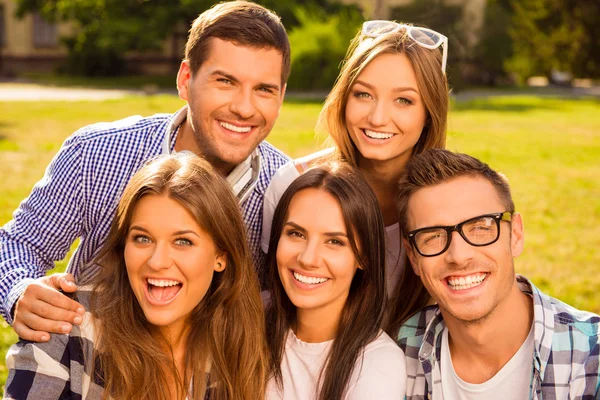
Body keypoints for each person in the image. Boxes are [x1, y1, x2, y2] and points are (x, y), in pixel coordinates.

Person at [0, 0, 290, 342]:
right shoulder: (96, 153)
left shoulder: (286, 189)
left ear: (282, 95)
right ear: (185, 80)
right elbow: (17, 244)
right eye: (225, 81)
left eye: (264, 89)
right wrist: (18, 291)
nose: (244, 107)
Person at [5, 154, 269, 400]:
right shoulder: (66, 327)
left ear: (220, 256)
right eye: (142, 238)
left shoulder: (240, 345)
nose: (157, 262)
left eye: (183, 241)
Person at [261, 20, 448, 317]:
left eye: (404, 100)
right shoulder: (293, 184)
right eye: (363, 94)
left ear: (429, 113)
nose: (377, 118)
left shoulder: (449, 201)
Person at [393, 148, 600, 399]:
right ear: (412, 256)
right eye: (433, 236)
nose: (458, 256)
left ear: (516, 235)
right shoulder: (397, 351)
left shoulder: (592, 357)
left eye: (480, 227)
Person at [265, 163, 406, 400]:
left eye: (335, 242)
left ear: (364, 257)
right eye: (296, 234)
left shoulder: (378, 363)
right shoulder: (250, 321)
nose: (308, 259)